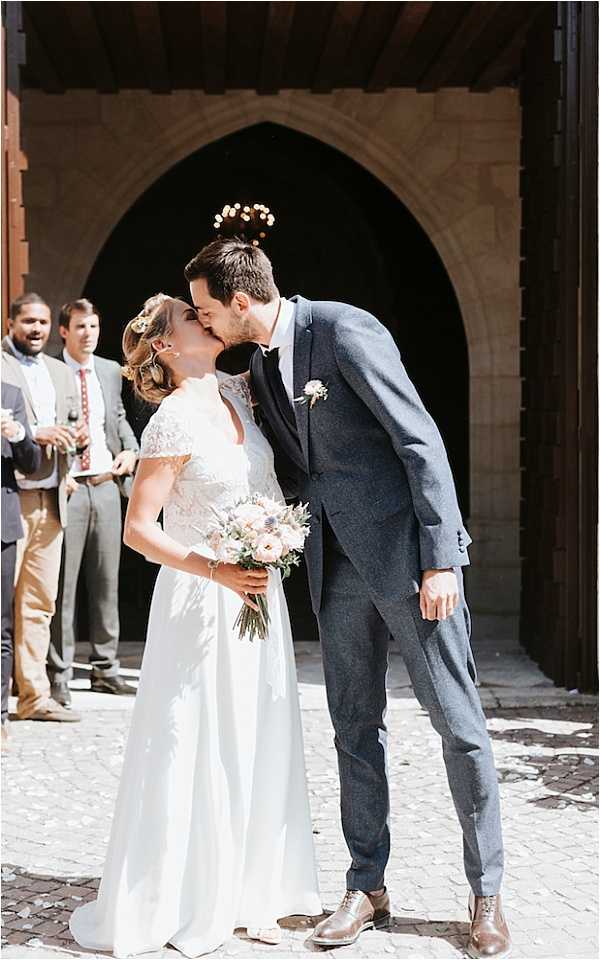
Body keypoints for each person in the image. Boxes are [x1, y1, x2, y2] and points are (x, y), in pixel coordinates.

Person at [186, 239, 511, 960]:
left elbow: (419, 440)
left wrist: (441, 559)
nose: (205, 322)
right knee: (352, 727)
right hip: (333, 570)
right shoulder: (262, 365)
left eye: (209, 309)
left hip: (408, 563)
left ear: (242, 301)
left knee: (458, 725)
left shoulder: (342, 329)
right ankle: (368, 885)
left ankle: (486, 890)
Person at [69, 295, 321, 958]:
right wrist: (215, 570)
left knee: (256, 732)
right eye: (190, 318)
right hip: (199, 600)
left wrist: (268, 544)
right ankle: (188, 892)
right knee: (195, 740)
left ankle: (253, 891)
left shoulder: (242, 393)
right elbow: (138, 530)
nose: (205, 322)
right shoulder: (172, 420)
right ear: (164, 346)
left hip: (255, 598)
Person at [48, 299, 138, 705]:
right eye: (81, 327)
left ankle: (106, 669)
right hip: (68, 486)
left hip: (105, 484)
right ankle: (60, 674)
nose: (89, 334)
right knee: (63, 587)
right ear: (64, 331)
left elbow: (117, 419)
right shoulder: (50, 372)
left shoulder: (109, 371)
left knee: (106, 584)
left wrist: (131, 450)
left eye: (94, 327)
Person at [2, 293, 87, 723]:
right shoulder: (0, 364)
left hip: (54, 497)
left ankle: (33, 696)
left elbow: (70, 423)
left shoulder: (58, 370)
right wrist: (36, 433)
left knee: (39, 603)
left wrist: (74, 444)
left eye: (42, 322)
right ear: (12, 322)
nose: (36, 329)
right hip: (10, 496)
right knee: (2, 605)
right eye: (28, 321)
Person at [1, 384, 43, 747]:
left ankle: (0, 717)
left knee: (1, 627)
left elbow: (32, 464)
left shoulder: (10, 395)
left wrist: (17, 435)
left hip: (3, 525)